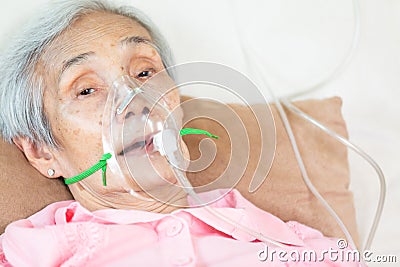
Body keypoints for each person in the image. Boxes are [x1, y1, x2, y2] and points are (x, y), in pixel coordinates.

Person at [0, 0, 361, 266]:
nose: (135, 102)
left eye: (144, 73)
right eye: (86, 90)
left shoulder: (284, 240)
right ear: (41, 151)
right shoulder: (35, 251)